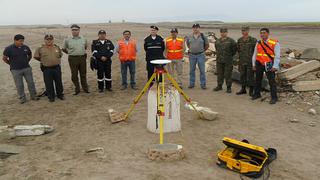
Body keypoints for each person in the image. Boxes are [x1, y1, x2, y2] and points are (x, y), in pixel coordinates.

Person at [2, 34, 39, 104]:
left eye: (23, 41)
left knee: (31, 83)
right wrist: (11, 64)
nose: (22, 42)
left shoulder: (25, 47)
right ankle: (22, 99)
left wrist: (26, 61)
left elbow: (30, 55)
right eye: (20, 41)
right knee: (19, 85)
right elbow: (4, 58)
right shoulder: (8, 48)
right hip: (15, 70)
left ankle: (34, 96)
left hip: (27, 68)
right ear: (15, 40)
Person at [252, 28, 280, 104]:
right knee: (257, 80)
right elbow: (255, 54)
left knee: (271, 81)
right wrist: (253, 64)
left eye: (264, 33)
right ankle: (257, 94)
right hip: (259, 63)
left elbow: (277, 56)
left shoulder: (274, 43)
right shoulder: (258, 42)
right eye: (261, 33)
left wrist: (275, 66)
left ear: (268, 33)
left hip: (269, 64)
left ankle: (274, 97)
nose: (262, 34)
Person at [34, 34, 64, 102]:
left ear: (53, 40)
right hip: (47, 69)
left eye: (50, 39)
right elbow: (36, 57)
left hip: (57, 68)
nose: (49, 41)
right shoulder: (40, 48)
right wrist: (43, 61)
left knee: (59, 82)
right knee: (48, 83)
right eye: (47, 39)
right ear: (45, 40)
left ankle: (60, 95)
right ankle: (51, 97)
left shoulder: (57, 47)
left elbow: (60, 55)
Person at [62, 24, 89, 95]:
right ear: (71, 31)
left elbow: (85, 47)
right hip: (72, 59)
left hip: (82, 58)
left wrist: (80, 52)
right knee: (74, 75)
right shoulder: (67, 39)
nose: (74, 31)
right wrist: (71, 53)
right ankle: (77, 89)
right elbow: (64, 49)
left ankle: (85, 88)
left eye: (76, 30)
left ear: (79, 30)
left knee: (83, 74)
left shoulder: (83, 39)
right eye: (73, 30)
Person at [213, 28, 237, 93]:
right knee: (219, 74)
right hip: (219, 61)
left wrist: (230, 56)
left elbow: (234, 50)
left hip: (228, 61)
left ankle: (228, 87)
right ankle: (219, 86)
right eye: (222, 32)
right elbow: (216, 48)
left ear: (227, 32)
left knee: (228, 74)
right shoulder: (217, 41)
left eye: (224, 32)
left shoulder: (231, 41)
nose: (223, 33)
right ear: (220, 33)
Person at [186, 23, 209, 89]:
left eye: (197, 27)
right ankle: (191, 84)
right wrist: (192, 50)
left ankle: (203, 84)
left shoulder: (203, 36)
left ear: (199, 28)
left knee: (202, 70)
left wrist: (202, 51)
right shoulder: (189, 36)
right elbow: (188, 44)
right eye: (194, 28)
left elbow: (207, 45)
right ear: (192, 29)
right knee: (192, 70)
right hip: (192, 55)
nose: (195, 29)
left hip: (201, 55)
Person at [236, 26, 257, 96]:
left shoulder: (253, 40)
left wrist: (255, 62)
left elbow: (256, 52)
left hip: (250, 62)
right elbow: (238, 50)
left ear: (248, 31)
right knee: (242, 76)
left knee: (250, 76)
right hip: (242, 61)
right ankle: (243, 89)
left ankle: (251, 90)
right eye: (242, 31)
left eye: (244, 30)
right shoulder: (239, 40)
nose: (243, 32)